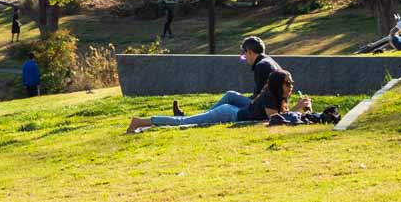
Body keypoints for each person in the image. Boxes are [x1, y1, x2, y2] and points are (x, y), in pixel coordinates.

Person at [125, 67, 302, 133]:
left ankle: (144, 123)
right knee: (184, 122)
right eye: (288, 83)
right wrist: (299, 109)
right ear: (278, 84)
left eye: (292, 83)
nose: (291, 86)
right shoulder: (270, 96)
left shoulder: (278, 96)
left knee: (187, 121)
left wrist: (299, 109)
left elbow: (283, 115)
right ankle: (139, 121)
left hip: (232, 112)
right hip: (228, 114)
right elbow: (276, 120)